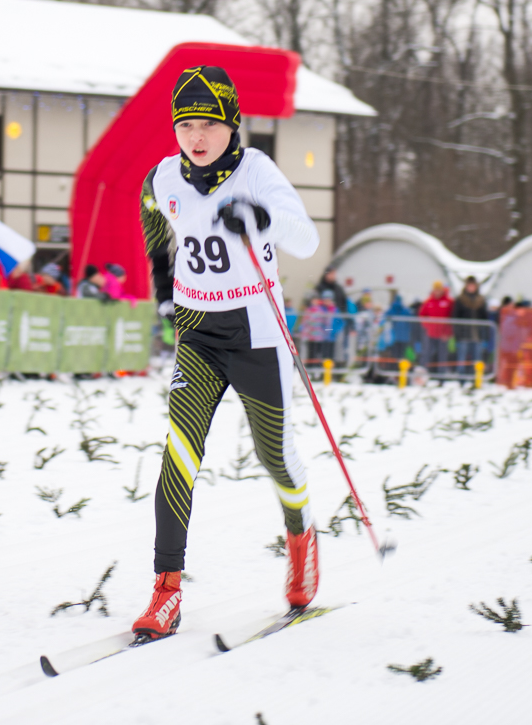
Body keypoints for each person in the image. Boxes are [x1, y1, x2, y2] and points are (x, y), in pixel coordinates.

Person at [133, 64, 321, 641]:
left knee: (276, 458)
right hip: (198, 334)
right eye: (185, 123)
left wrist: (260, 216)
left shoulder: (257, 171)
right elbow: (157, 241)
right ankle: (166, 591)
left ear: (231, 123)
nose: (196, 136)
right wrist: (167, 300)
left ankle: (302, 538)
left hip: (257, 334)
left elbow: (305, 238)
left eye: (208, 124)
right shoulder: (161, 179)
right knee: (178, 455)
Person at [452, 275, 488, 376]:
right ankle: (462, 377)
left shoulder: (481, 300)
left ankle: (476, 378)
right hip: (464, 334)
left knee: (477, 357)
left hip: (477, 334)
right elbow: (455, 317)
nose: (471, 287)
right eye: (469, 285)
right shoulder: (460, 300)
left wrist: (485, 334)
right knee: (462, 357)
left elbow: (485, 318)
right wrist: (457, 334)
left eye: (473, 285)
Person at [419, 281, 454, 378]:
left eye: (439, 289)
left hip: (443, 335)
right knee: (427, 354)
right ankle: (423, 376)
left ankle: (441, 377)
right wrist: (428, 326)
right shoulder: (428, 301)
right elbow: (422, 315)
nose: (437, 292)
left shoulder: (449, 301)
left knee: (442, 356)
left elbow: (452, 318)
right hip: (430, 333)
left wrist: (447, 333)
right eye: (436, 289)